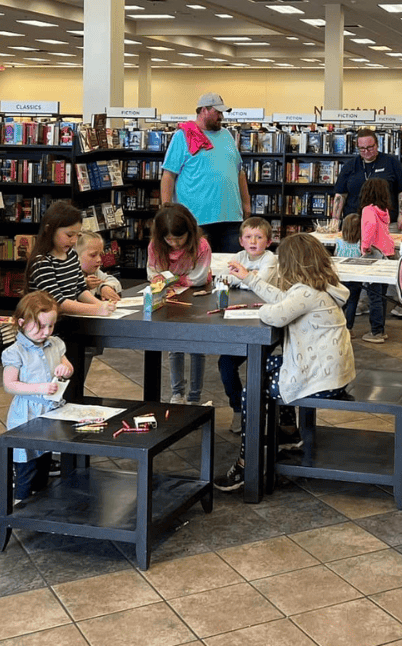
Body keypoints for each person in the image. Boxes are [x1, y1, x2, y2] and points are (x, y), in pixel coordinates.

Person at [215, 232, 355, 492]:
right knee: (270, 367)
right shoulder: (321, 288)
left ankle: (248, 464)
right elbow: (285, 299)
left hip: (321, 380)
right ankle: (288, 432)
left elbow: (274, 314)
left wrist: (260, 309)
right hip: (333, 373)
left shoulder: (305, 295)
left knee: (252, 391)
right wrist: (250, 278)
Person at [2, 292, 73, 504]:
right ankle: (20, 504)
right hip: (26, 416)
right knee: (26, 465)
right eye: (40, 327)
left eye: (50, 326)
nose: (46, 332)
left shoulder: (55, 344)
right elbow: (9, 384)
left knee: (44, 459)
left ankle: (41, 504)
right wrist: (40, 388)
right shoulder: (15, 352)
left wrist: (65, 369)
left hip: (49, 413)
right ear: (22, 323)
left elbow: (68, 367)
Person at [160, 93, 251, 253]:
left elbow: (239, 172)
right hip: (196, 219)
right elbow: (169, 175)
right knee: (198, 270)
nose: (221, 116)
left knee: (231, 269)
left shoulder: (227, 135)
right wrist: (166, 209)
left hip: (231, 218)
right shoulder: (182, 136)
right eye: (218, 112)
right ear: (203, 110)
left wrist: (246, 203)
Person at [217, 216, 278, 433]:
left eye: (259, 237)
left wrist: (243, 276)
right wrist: (249, 277)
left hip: (265, 322)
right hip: (240, 319)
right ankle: (237, 409)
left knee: (259, 366)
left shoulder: (270, 259)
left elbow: (263, 282)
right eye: (248, 237)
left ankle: (258, 415)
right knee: (225, 364)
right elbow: (224, 279)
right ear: (241, 241)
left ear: (268, 241)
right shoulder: (239, 256)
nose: (253, 241)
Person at [148, 204, 212, 405]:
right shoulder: (155, 246)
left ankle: (194, 397)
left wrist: (172, 279)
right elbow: (153, 273)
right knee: (174, 345)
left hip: (196, 297)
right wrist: (168, 280)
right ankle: (177, 393)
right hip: (171, 297)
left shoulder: (201, 246)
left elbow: (199, 278)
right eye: (169, 240)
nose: (174, 244)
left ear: (189, 232)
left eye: (179, 238)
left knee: (196, 346)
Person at [25, 201, 116, 317]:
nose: (73, 241)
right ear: (49, 230)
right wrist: (96, 309)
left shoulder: (72, 255)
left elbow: (80, 290)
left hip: (67, 319)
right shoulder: (42, 262)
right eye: (69, 235)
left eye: (77, 235)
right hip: (43, 325)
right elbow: (57, 302)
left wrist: (101, 305)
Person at [331, 128, 402, 231]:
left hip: (386, 223)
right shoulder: (350, 166)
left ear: (377, 145)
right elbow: (340, 195)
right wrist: (335, 219)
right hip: (355, 224)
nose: (366, 151)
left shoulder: (392, 162)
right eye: (362, 149)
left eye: (370, 147)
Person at [359, 177, 395, 344]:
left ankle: (376, 332)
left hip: (375, 254)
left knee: (373, 295)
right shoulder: (384, 211)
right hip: (388, 253)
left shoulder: (368, 210)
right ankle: (381, 329)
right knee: (381, 295)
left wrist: (365, 246)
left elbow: (370, 227)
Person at [335, 212, 362, 332]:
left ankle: (337, 324)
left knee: (340, 301)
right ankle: (349, 328)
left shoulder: (338, 242)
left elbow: (336, 255)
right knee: (353, 302)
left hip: (341, 276)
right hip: (356, 277)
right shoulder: (360, 244)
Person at [76, 232, 122, 303]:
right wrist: (84, 284)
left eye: (100, 254)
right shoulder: (70, 274)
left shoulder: (95, 272)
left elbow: (114, 281)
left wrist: (105, 287)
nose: (99, 259)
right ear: (76, 256)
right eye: (93, 255)